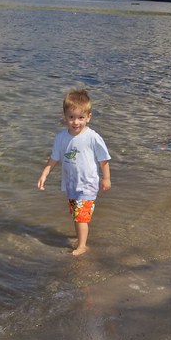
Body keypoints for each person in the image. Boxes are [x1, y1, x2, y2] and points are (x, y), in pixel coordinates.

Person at [37, 89, 111, 256]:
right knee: (77, 214)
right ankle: (80, 237)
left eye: (81, 118)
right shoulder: (61, 137)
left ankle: (82, 246)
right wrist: (44, 174)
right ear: (64, 116)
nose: (76, 122)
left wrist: (106, 178)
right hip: (71, 184)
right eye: (71, 117)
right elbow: (54, 158)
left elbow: (103, 159)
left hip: (87, 184)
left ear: (88, 117)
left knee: (80, 217)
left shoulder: (93, 137)